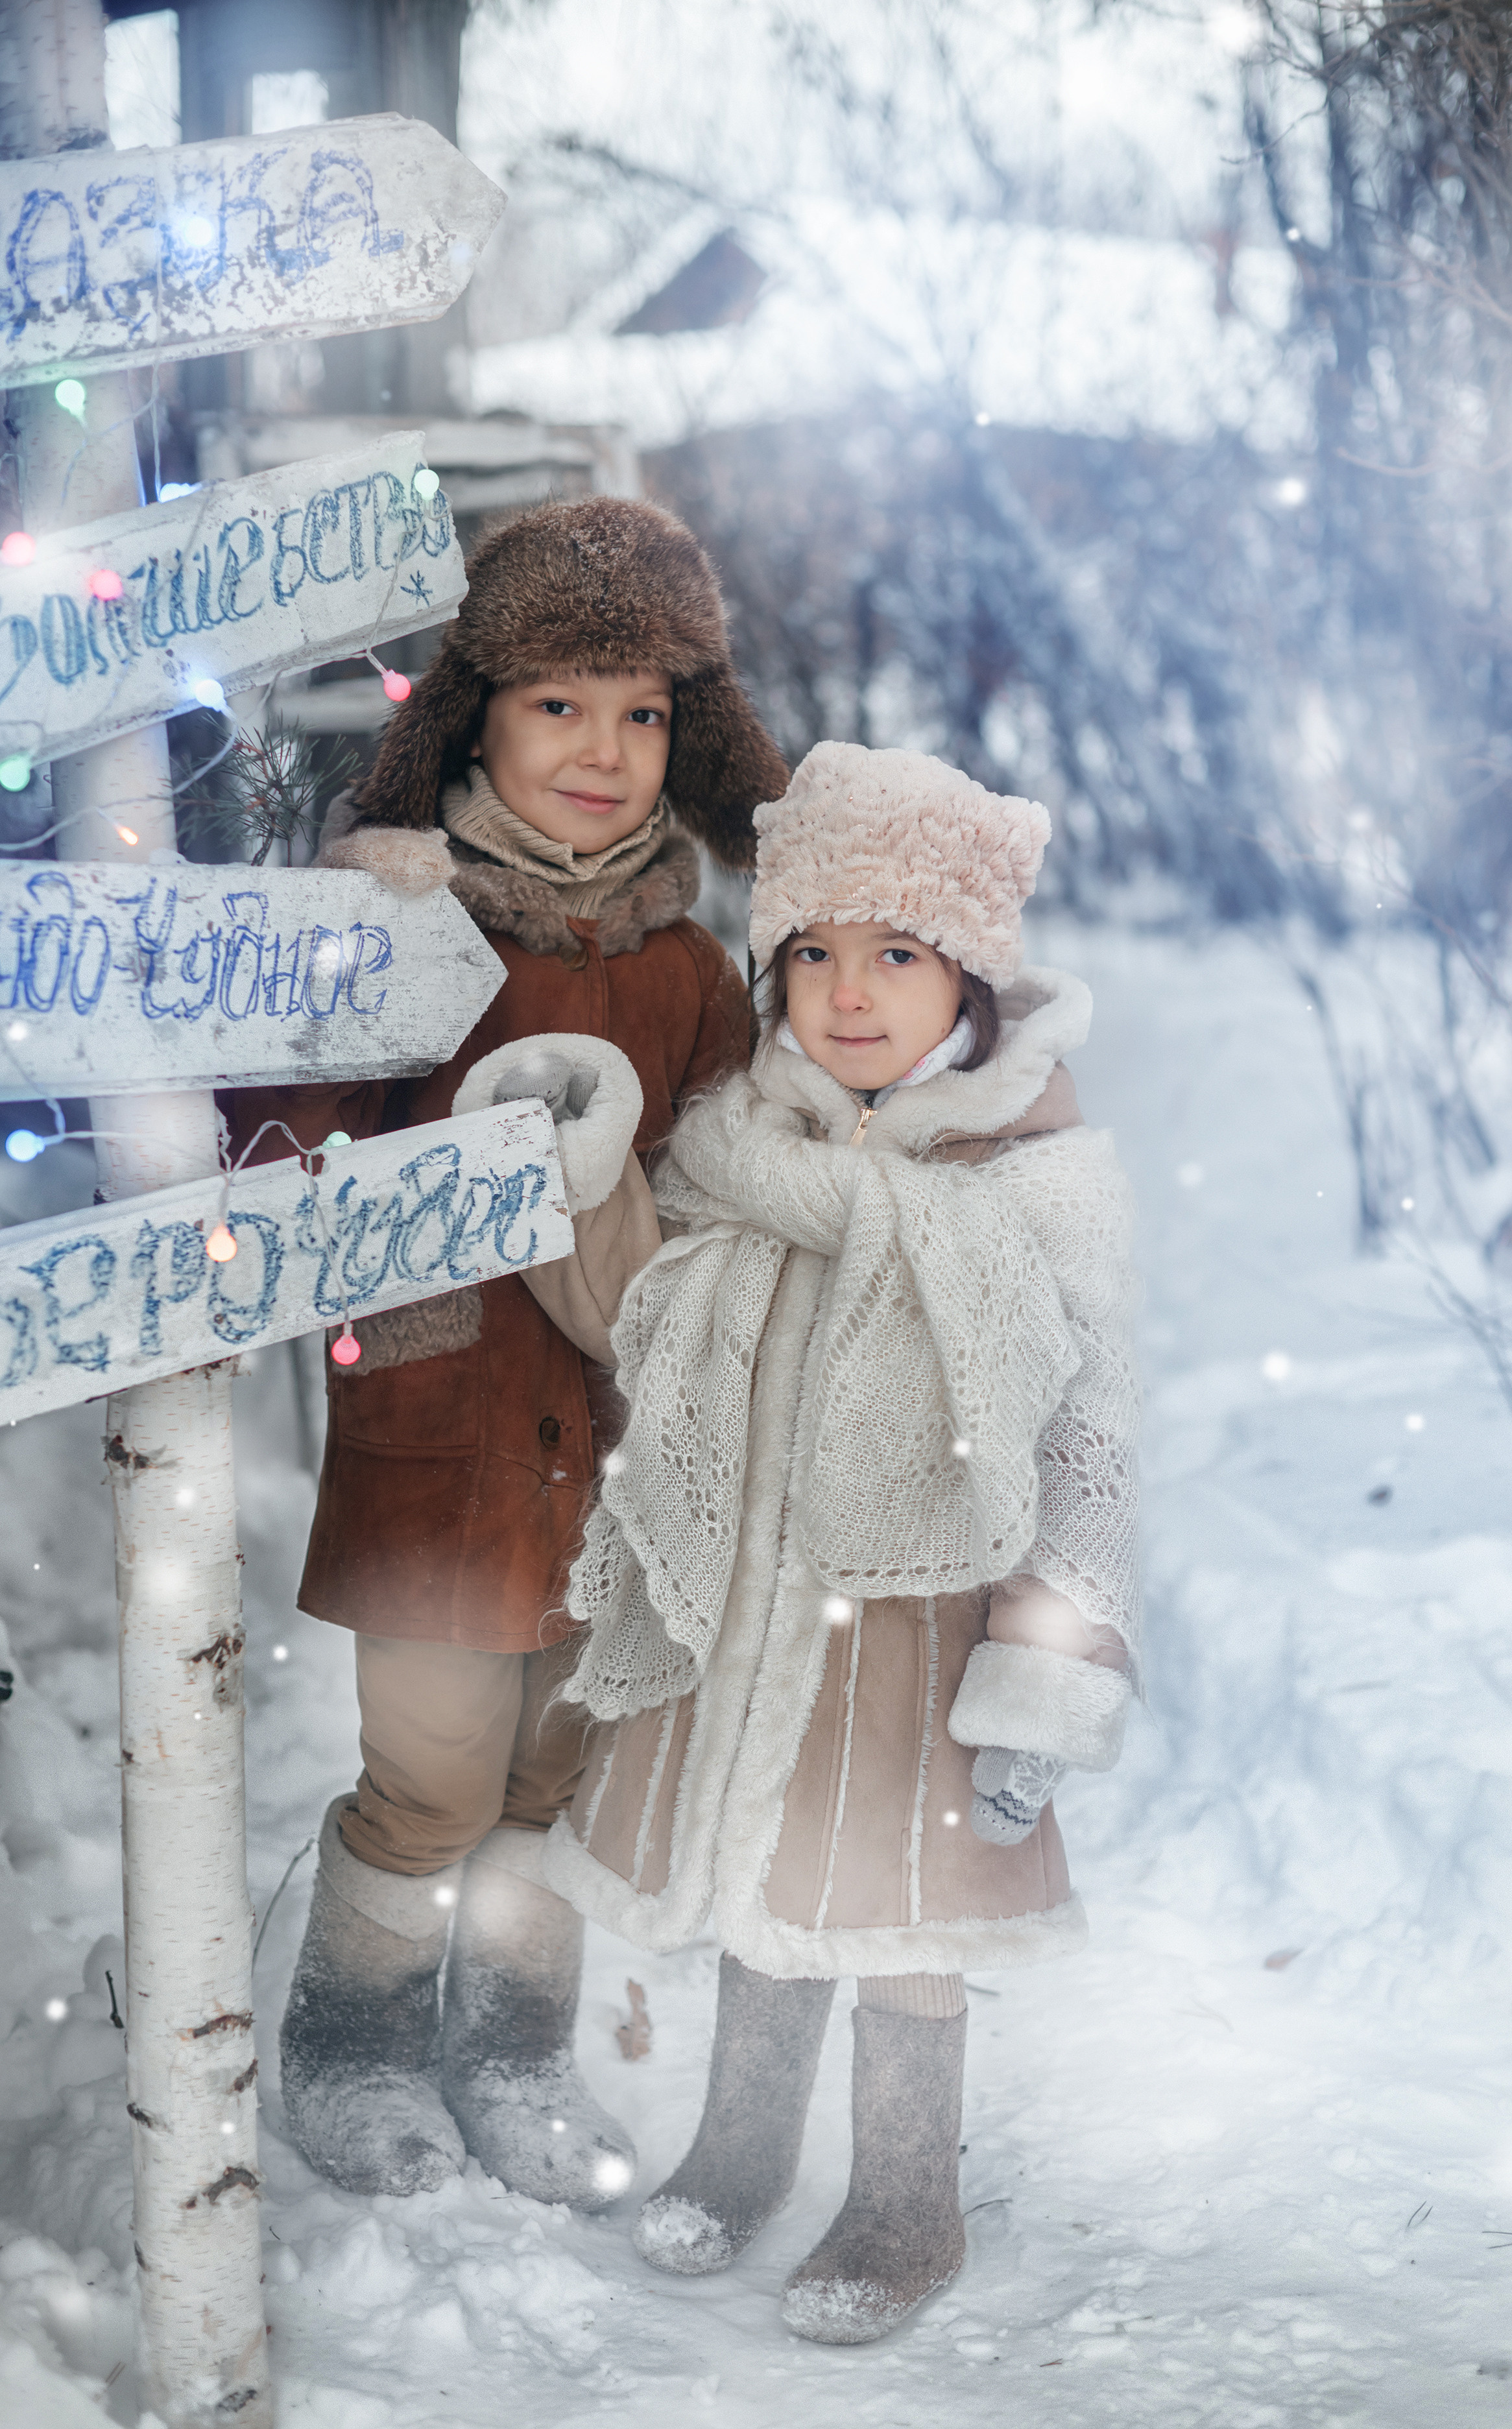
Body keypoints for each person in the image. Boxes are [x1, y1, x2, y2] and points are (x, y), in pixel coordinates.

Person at [519, 739, 1140, 2340]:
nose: (846, 995)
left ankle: (904, 2197)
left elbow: (1087, 1442)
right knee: (762, 1882)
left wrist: (1048, 1667)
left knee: (899, 1912)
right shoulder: (743, 1150)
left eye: (896, 955)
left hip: (923, 1631)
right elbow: (660, 1332)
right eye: (811, 953)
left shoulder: (1034, 1180)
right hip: (752, 1605)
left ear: (973, 985)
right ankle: (739, 2146)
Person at [221, 497, 786, 2207]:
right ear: (475, 714)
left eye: (637, 712)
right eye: (558, 705)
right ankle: (349, 2032)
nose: (602, 751)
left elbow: (734, 1195)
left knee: (564, 1774)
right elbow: (269, 1158)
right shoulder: (407, 928)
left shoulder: (693, 970)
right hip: (440, 1437)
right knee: (434, 1771)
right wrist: (347, 954)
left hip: (621, 1466)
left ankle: (515, 2044)